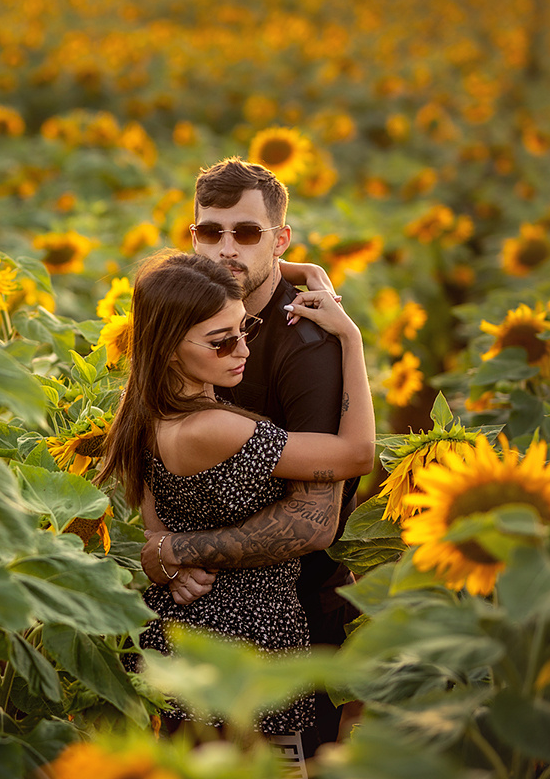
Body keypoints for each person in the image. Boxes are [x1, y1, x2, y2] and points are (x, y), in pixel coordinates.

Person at [95, 251, 373, 771]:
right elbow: (356, 455)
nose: (241, 348)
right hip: (244, 654)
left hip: (186, 639)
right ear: (169, 348)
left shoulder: (146, 414)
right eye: (220, 340)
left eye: (244, 328)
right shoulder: (214, 430)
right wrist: (350, 339)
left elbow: (157, 532)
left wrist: (171, 558)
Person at [139, 157, 368, 758]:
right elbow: (142, 424)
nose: (225, 249)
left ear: (280, 239)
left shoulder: (306, 341)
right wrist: (159, 543)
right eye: (208, 232)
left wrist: (174, 551)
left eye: (246, 233)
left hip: (291, 617)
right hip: (194, 631)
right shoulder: (188, 315)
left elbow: (317, 519)